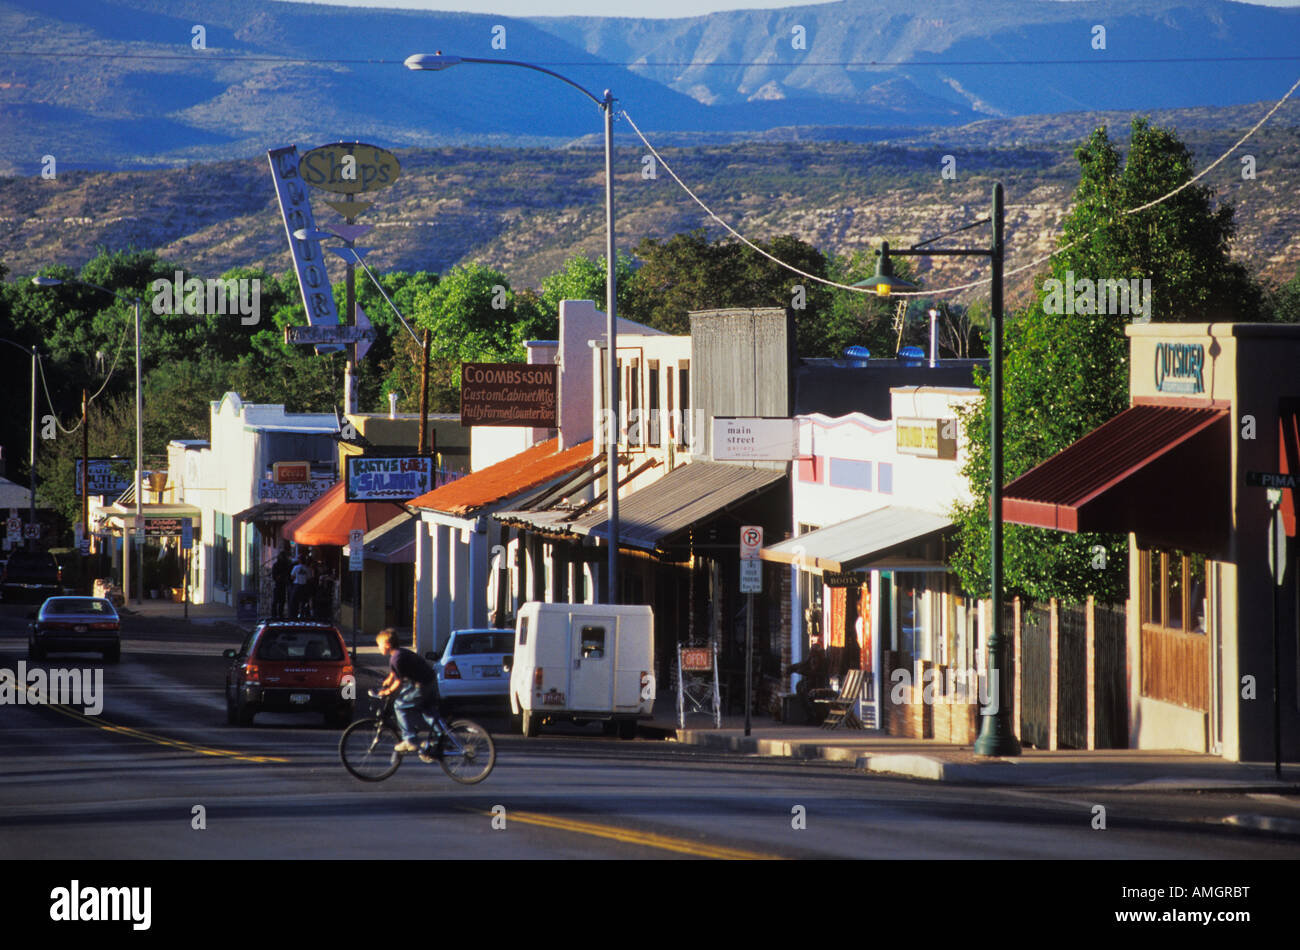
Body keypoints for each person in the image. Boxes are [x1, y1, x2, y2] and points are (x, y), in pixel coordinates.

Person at [376, 629, 442, 760]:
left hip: (423, 685)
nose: (378, 648)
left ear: (387, 644)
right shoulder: (399, 654)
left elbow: (399, 682)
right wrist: (388, 681)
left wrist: (387, 691)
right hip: (430, 682)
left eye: (379, 645)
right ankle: (442, 737)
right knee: (426, 710)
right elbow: (394, 674)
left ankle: (410, 739)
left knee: (399, 705)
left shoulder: (396, 658)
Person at [270, 547, 292, 619]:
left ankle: (278, 614)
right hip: (279, 584)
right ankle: (276, 614)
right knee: (277, 601)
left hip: (282, 584)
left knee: (280, 601)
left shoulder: (284, 565)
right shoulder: (278, 565)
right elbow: (275, 576)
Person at [289, 554, 311, 619]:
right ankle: (303, 615)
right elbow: (309, 578)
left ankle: (294, 616)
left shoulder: (295, 568)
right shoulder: (307, 569)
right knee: (304, 602)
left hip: (297, 586)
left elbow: (292, 577)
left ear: (299, 560)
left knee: (294, 602)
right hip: (304, 586)